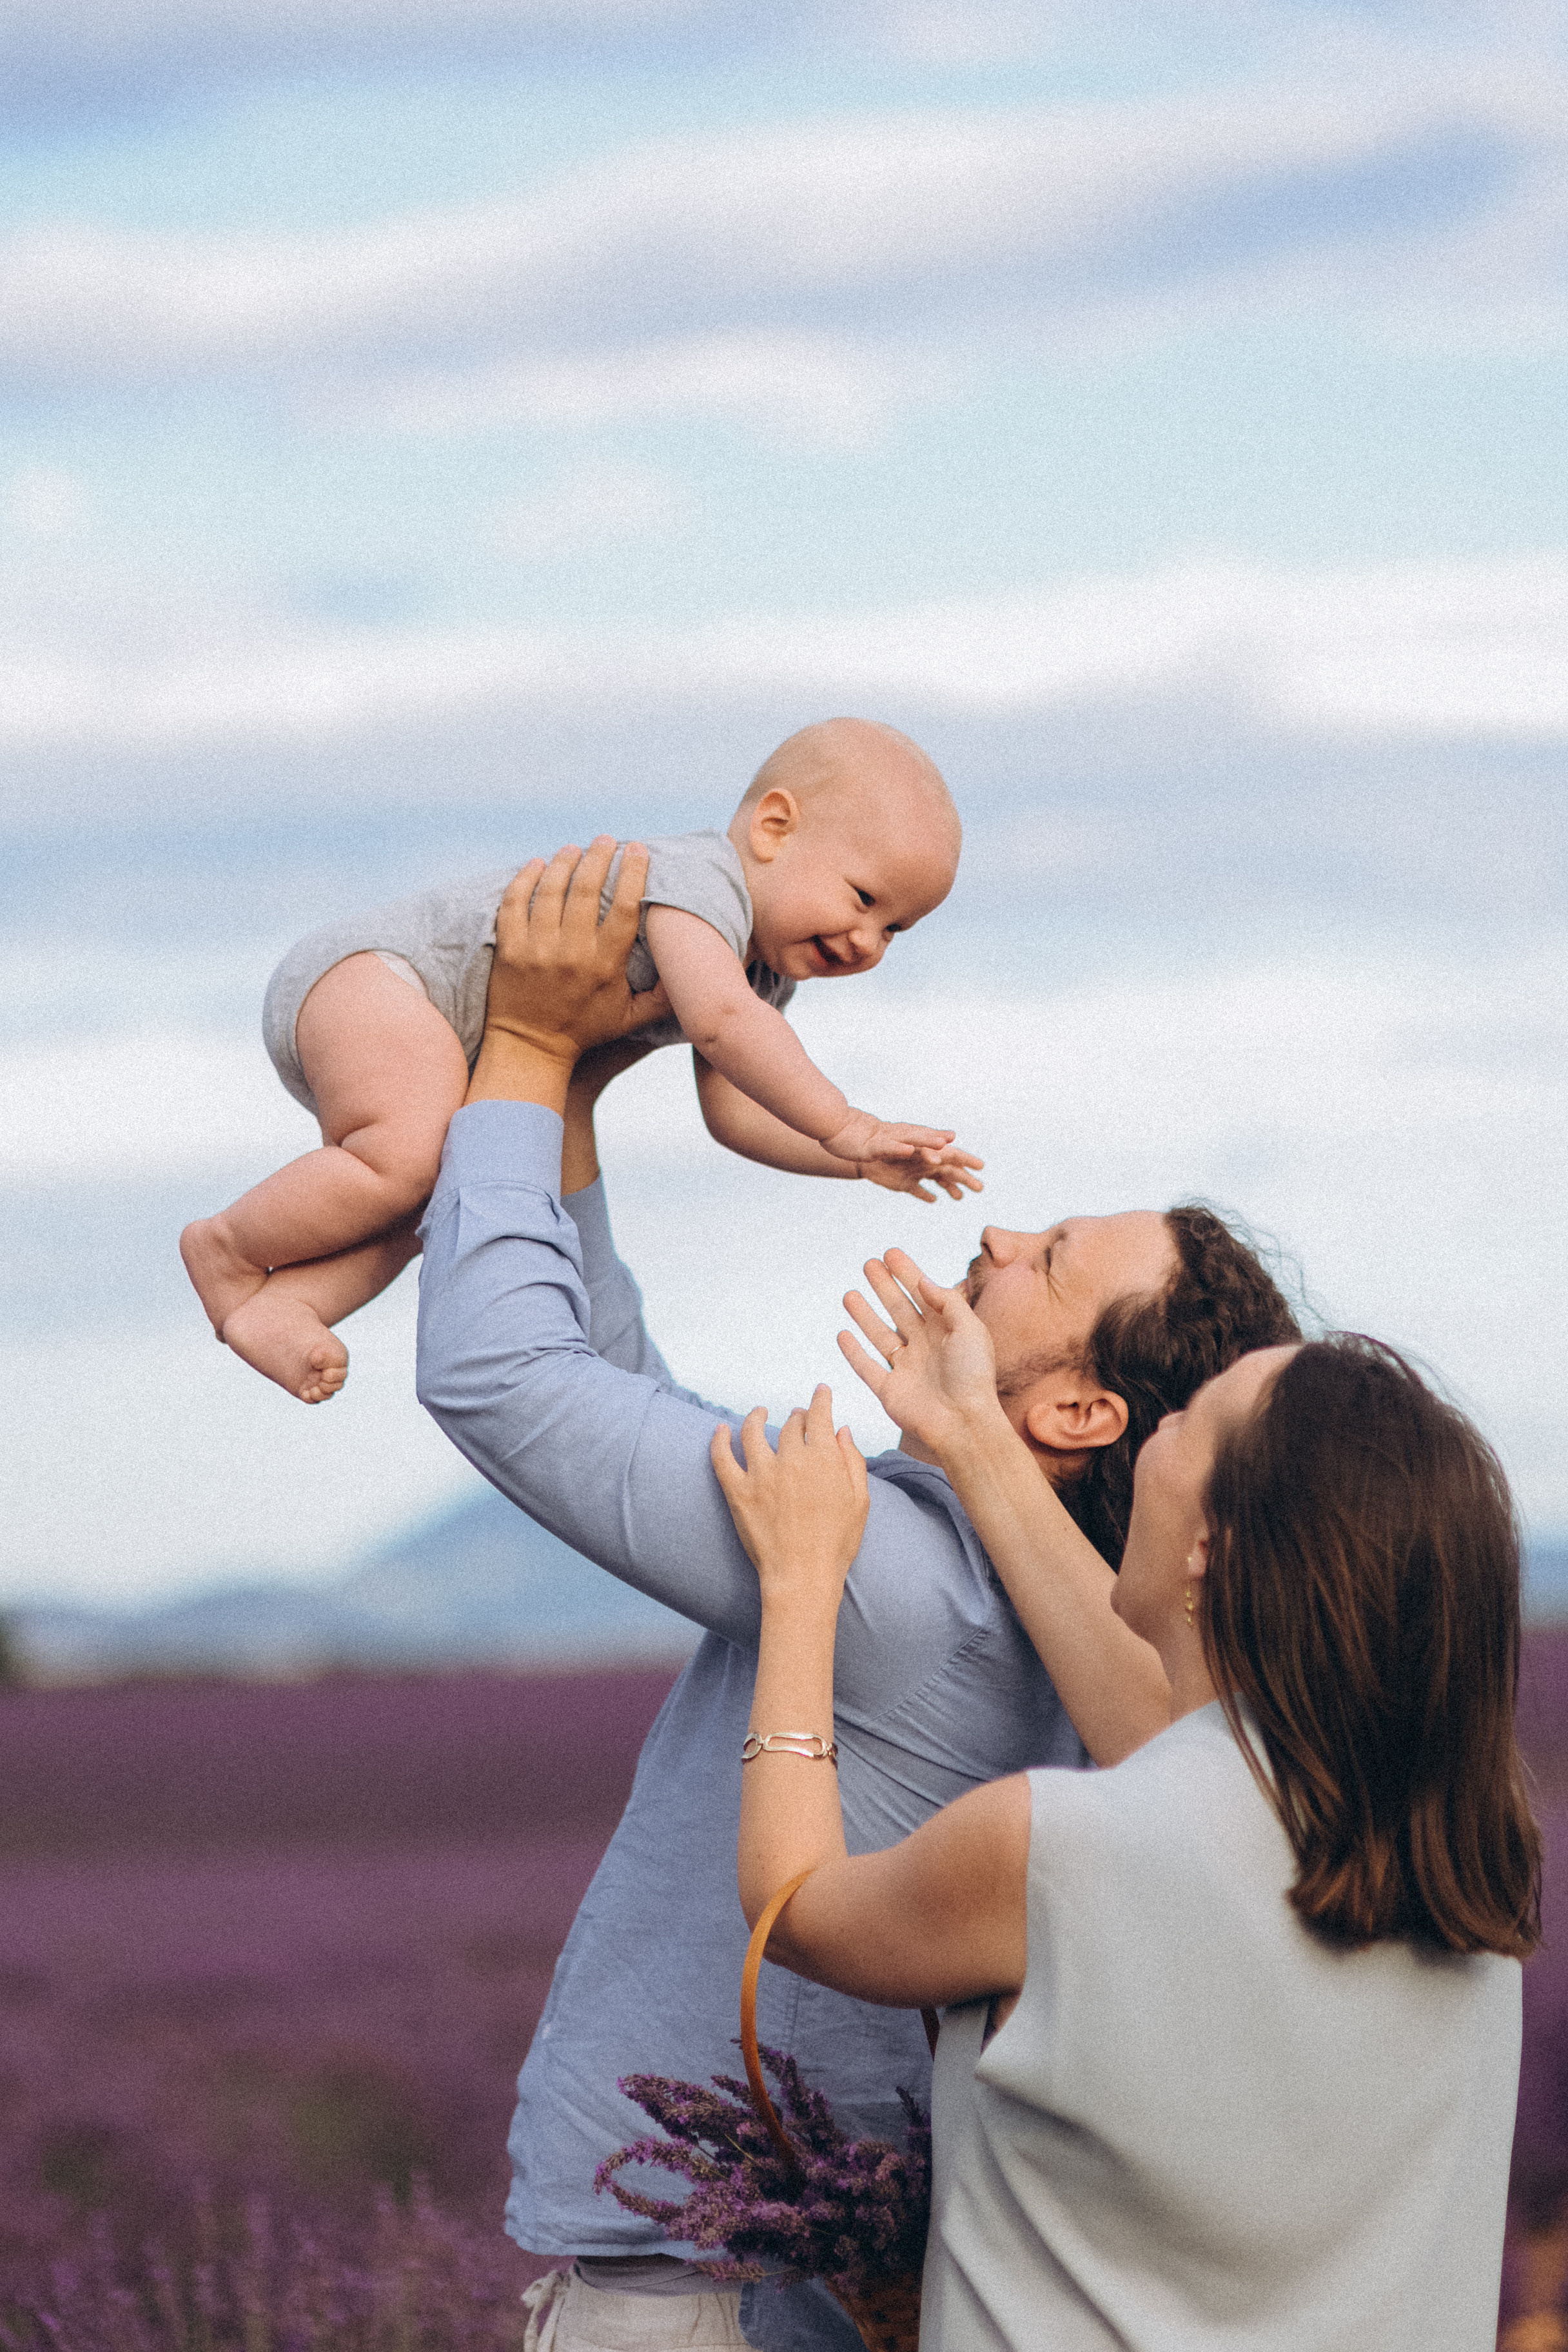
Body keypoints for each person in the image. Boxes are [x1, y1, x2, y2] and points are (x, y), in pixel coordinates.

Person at [413, 838, 1302, 2352]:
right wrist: (569, 1107)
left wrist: (516, 1046)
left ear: (1081, 1414)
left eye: (1051, 1260)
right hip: (826, 2274)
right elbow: (628, 1399)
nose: (1002, 1235)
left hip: (698, 2285)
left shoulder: (894, 1578)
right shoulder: (1040, 1600)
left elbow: (501, 1378)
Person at [716, 1317, 1541, 2349]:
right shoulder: (1467, 1889)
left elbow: (792, 1906)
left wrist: (797, 1586)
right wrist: (973, 1431)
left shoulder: (1057, 1850)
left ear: (1211, 1545)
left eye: (1189, 1419)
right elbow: (1182, 1752)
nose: (1157, 1428)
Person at [179, 718, 979, 1406]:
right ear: (774, 829)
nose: (866, 943)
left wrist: (857, 1164)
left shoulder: (759, 973)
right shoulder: (702, 886)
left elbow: (735, 1115)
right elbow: (721, 1024)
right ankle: (227, 1246)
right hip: (379, 980)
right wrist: (848, 1125)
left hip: (434, 1032)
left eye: (895, 931)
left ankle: (287, 1304)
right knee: (408, 1156)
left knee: (440, 1191)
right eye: (864, 900)